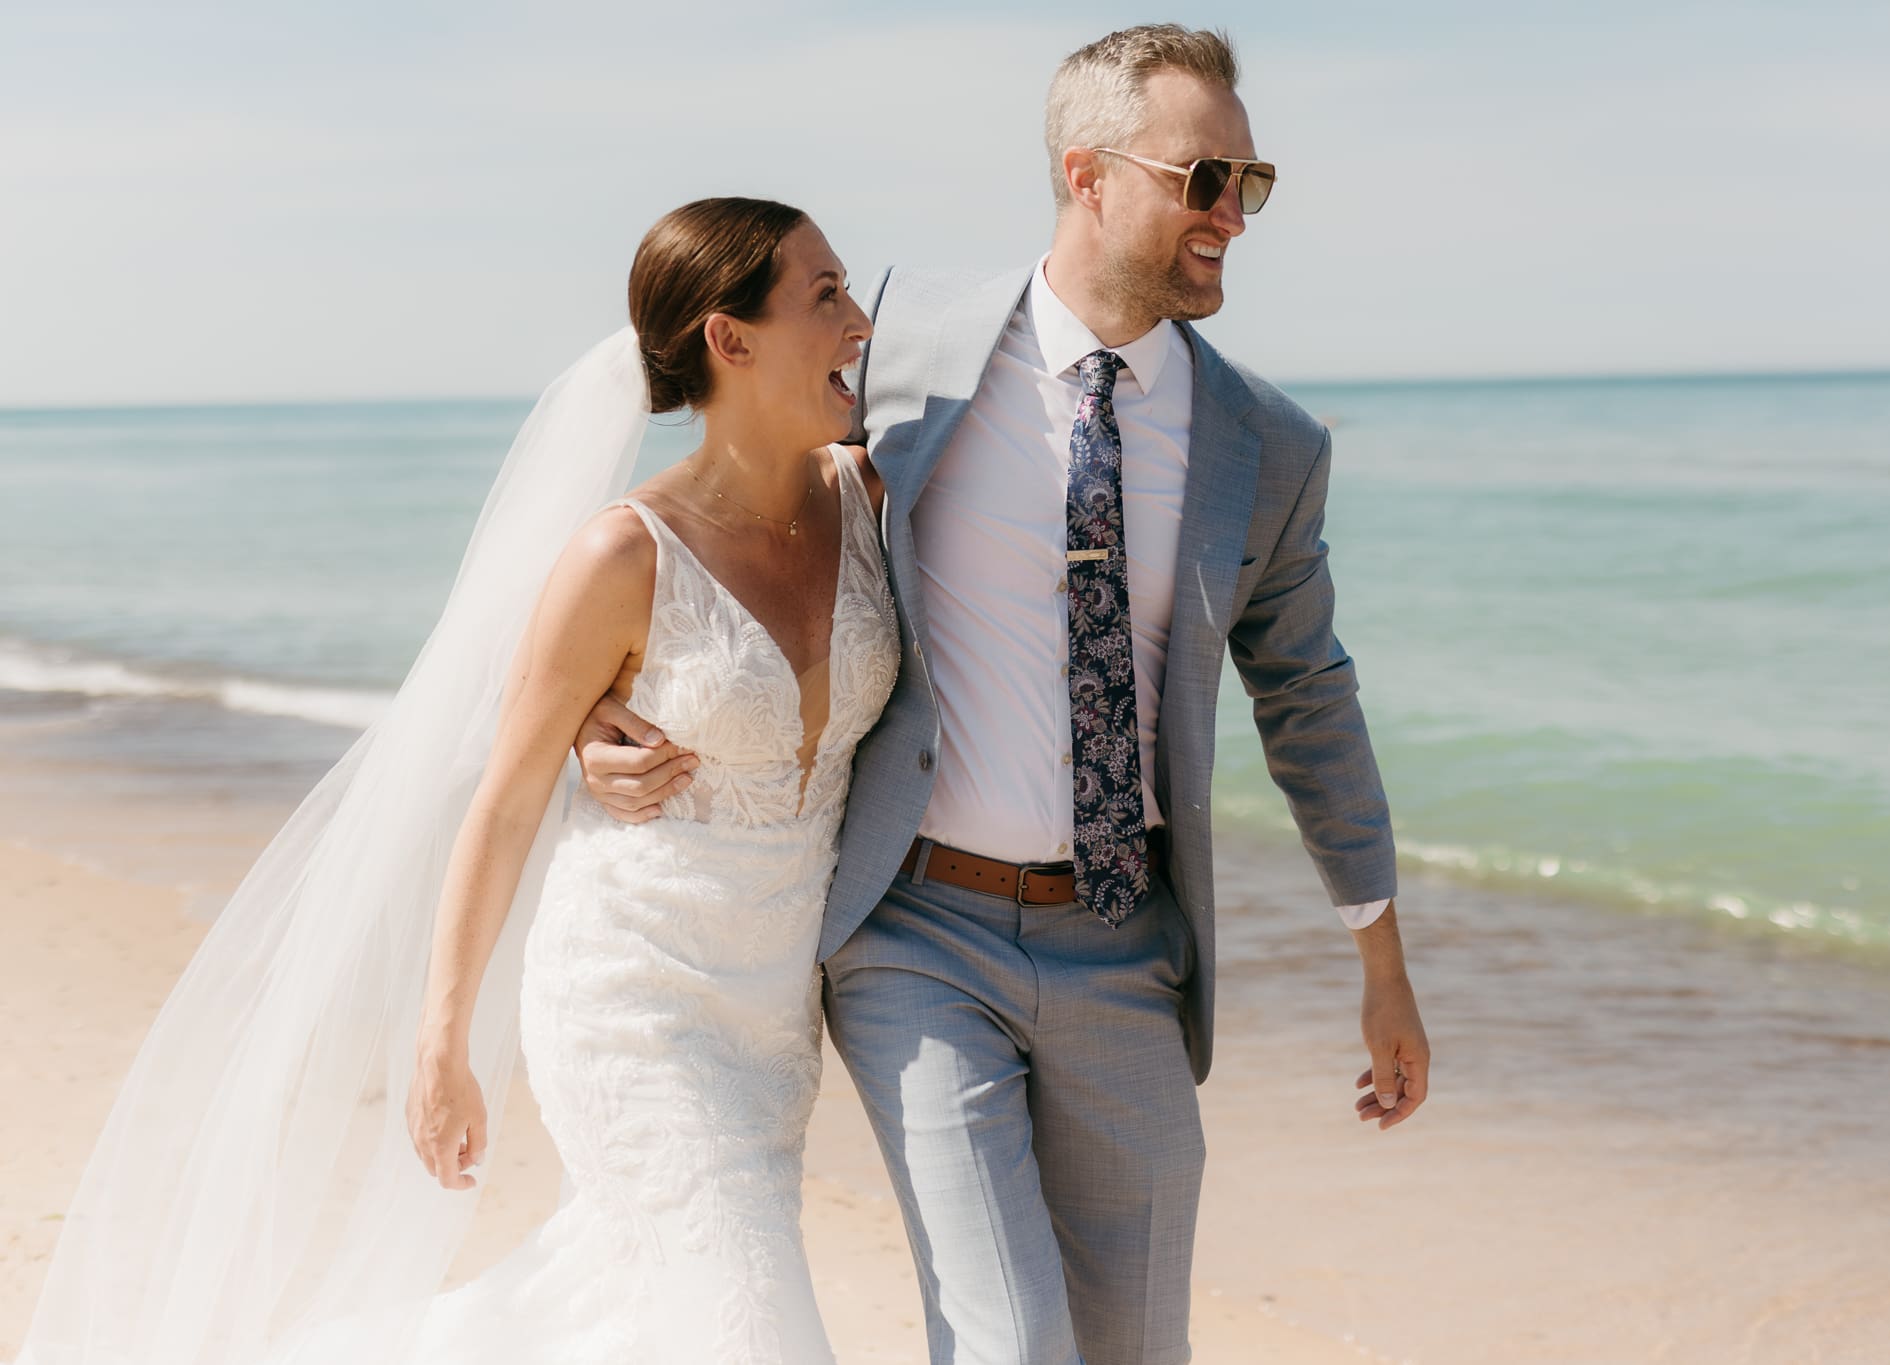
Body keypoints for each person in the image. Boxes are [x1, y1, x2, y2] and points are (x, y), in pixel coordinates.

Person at [576, 25, 1432, 1365]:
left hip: (1126, 944)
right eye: (1206, 179)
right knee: (1010, 1339)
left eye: (1251, 186)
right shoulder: (904, 344)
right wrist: (599, 704)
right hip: (917, 932)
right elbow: (728, 503)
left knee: (1136, 1342)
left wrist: (1380, 956)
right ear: (1089, 175)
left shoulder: (1269, 447)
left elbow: (1309, 697)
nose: (1233, 218)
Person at [17, 198, 894, 1364]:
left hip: (774, 1021)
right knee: (751, 1331)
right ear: (728, 340)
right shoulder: (622, 554)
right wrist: (440, 1046)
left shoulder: (873, 501)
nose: (861, 324)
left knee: (629, 1309)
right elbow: (506, 796)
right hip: (635, 1008)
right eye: (824, 296)